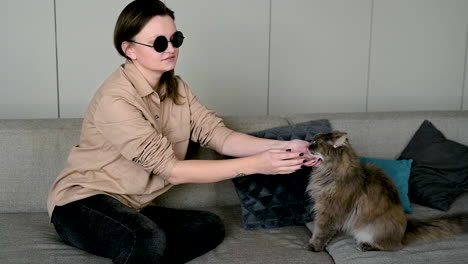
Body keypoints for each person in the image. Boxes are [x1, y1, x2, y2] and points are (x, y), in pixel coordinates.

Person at [47, 0, 319, 263]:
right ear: (129, 49)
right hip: (81, 204)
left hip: (130, 205)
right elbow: (173, 171)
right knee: (146, 239)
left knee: (208, 225)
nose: (171, 49)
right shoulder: (115, 100)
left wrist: (280, 148)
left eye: (175, 39)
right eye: (159, 43)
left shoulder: (177, 88)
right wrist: (257, 165)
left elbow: (219, 137)